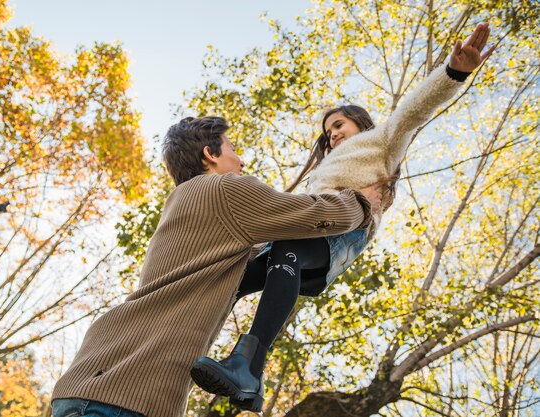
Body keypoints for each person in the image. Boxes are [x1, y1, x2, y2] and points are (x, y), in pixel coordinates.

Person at [190, 23, 496, 412]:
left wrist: (454, 73)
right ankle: (244, 376)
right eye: (327, 131)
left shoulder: (382, 140)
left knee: (288, 249)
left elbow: (412, 111)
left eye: (338, 125)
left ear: (359, 123)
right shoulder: (325, 168)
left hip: (344, 231)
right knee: (234, 277)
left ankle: (246, 364)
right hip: (308, 230)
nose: (332, 134)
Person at [51, 116, 383, 417]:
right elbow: (316, 216)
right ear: (210, 154)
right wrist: (362, 202)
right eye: (234, 150)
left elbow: (258, 260)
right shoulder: (225, 189)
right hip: (122, 395)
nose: (242, 160)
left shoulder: (182, 203)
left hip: (89, 381)